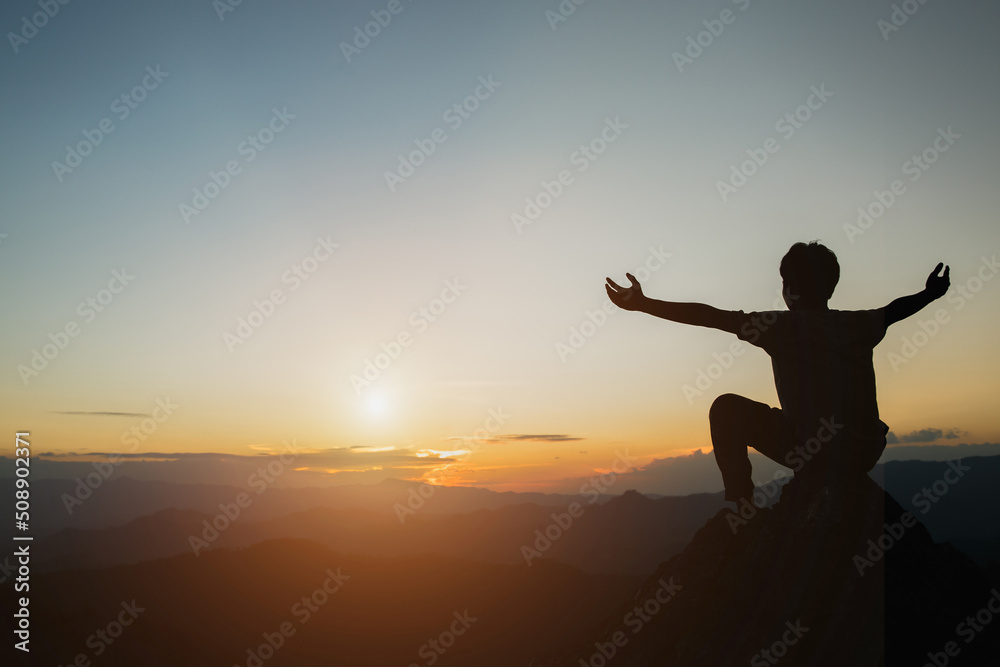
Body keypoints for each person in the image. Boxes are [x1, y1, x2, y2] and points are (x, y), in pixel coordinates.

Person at [605, 241, 950, 506]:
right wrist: (929, 293)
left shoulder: (779, 327)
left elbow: (708, 315)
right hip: (863, 453)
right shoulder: (858, 323)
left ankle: (741, 505)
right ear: (830, 288)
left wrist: (644, 303)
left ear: (790, 290)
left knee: (725, 408)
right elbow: (895, 310)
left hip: (812, 452)